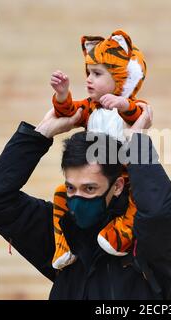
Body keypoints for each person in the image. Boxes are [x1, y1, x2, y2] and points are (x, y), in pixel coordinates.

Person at [0, 104, 171, 299]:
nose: (77, 199)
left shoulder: (146, 237)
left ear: (118, 186)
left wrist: (137, 142)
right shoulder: (62, 234)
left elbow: (160, 214)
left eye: (90, 188)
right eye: (70, 188)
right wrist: (40, 134)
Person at [49, 29, 148, 269]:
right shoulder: (91, 107)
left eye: (97, 73)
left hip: (123, 177)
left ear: (120, 78)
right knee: (61, 194)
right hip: (94, 174)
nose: (88, 79)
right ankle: (62, 247)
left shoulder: (130, 105)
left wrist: (123, 104)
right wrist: (62, 95)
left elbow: (139, 113)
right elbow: (68, 112)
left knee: (139, 198)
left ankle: (119, 234)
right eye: (88, 73)